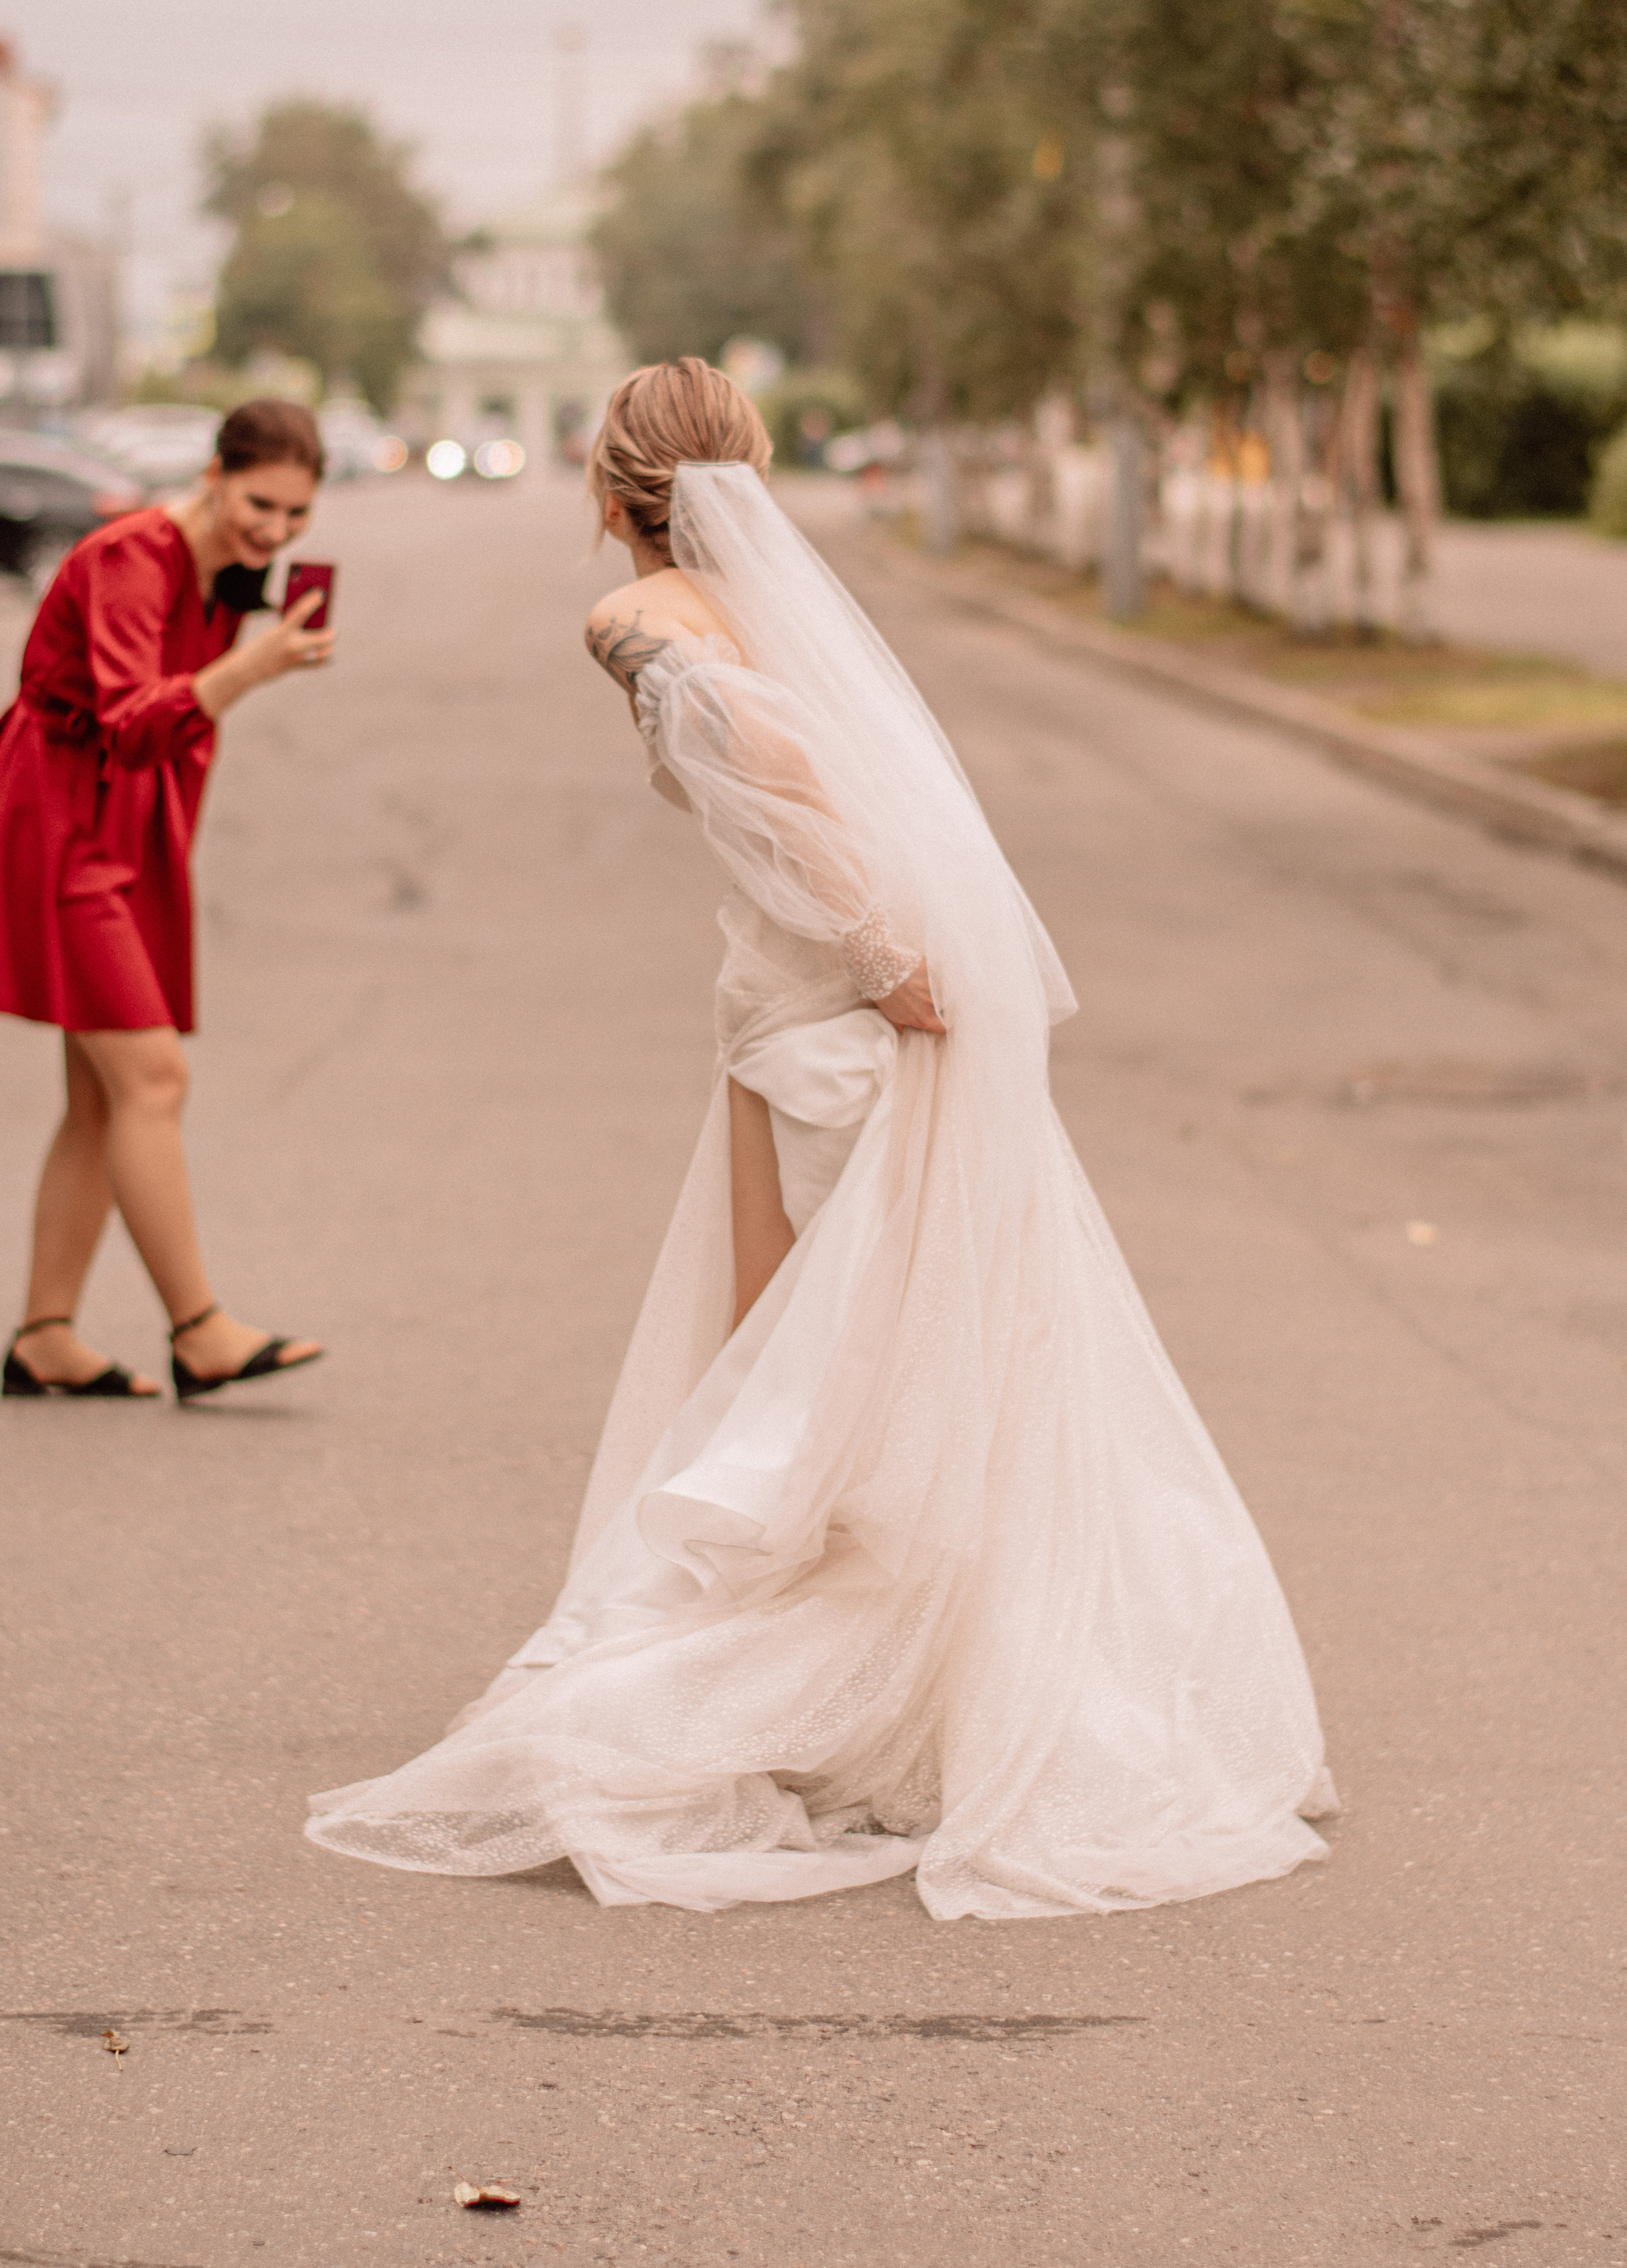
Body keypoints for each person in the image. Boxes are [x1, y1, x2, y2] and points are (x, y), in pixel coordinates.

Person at [308, 359, 1336, 1919]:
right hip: (794, 1007)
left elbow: (778, 778)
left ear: (607, 494)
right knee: (845, 1352)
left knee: (828, 1367)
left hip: (827, 1016)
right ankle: (872, 1692)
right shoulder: (764, 612)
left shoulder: (636, 620)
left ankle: (795, 1690)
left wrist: (884, 965)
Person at [0, 398, 335, 1406]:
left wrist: (239, 651)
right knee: (153, 1077)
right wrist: (245, 668)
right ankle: (199, 1331)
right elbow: (129, 725)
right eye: (261, 502)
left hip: (115, 825)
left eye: (297, 516)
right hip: (63, 817)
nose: (276, 530)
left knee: (100, 1094)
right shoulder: (135, 557)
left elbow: (167, 740)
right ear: (214, 472)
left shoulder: (227, 573)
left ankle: (45, 1336)